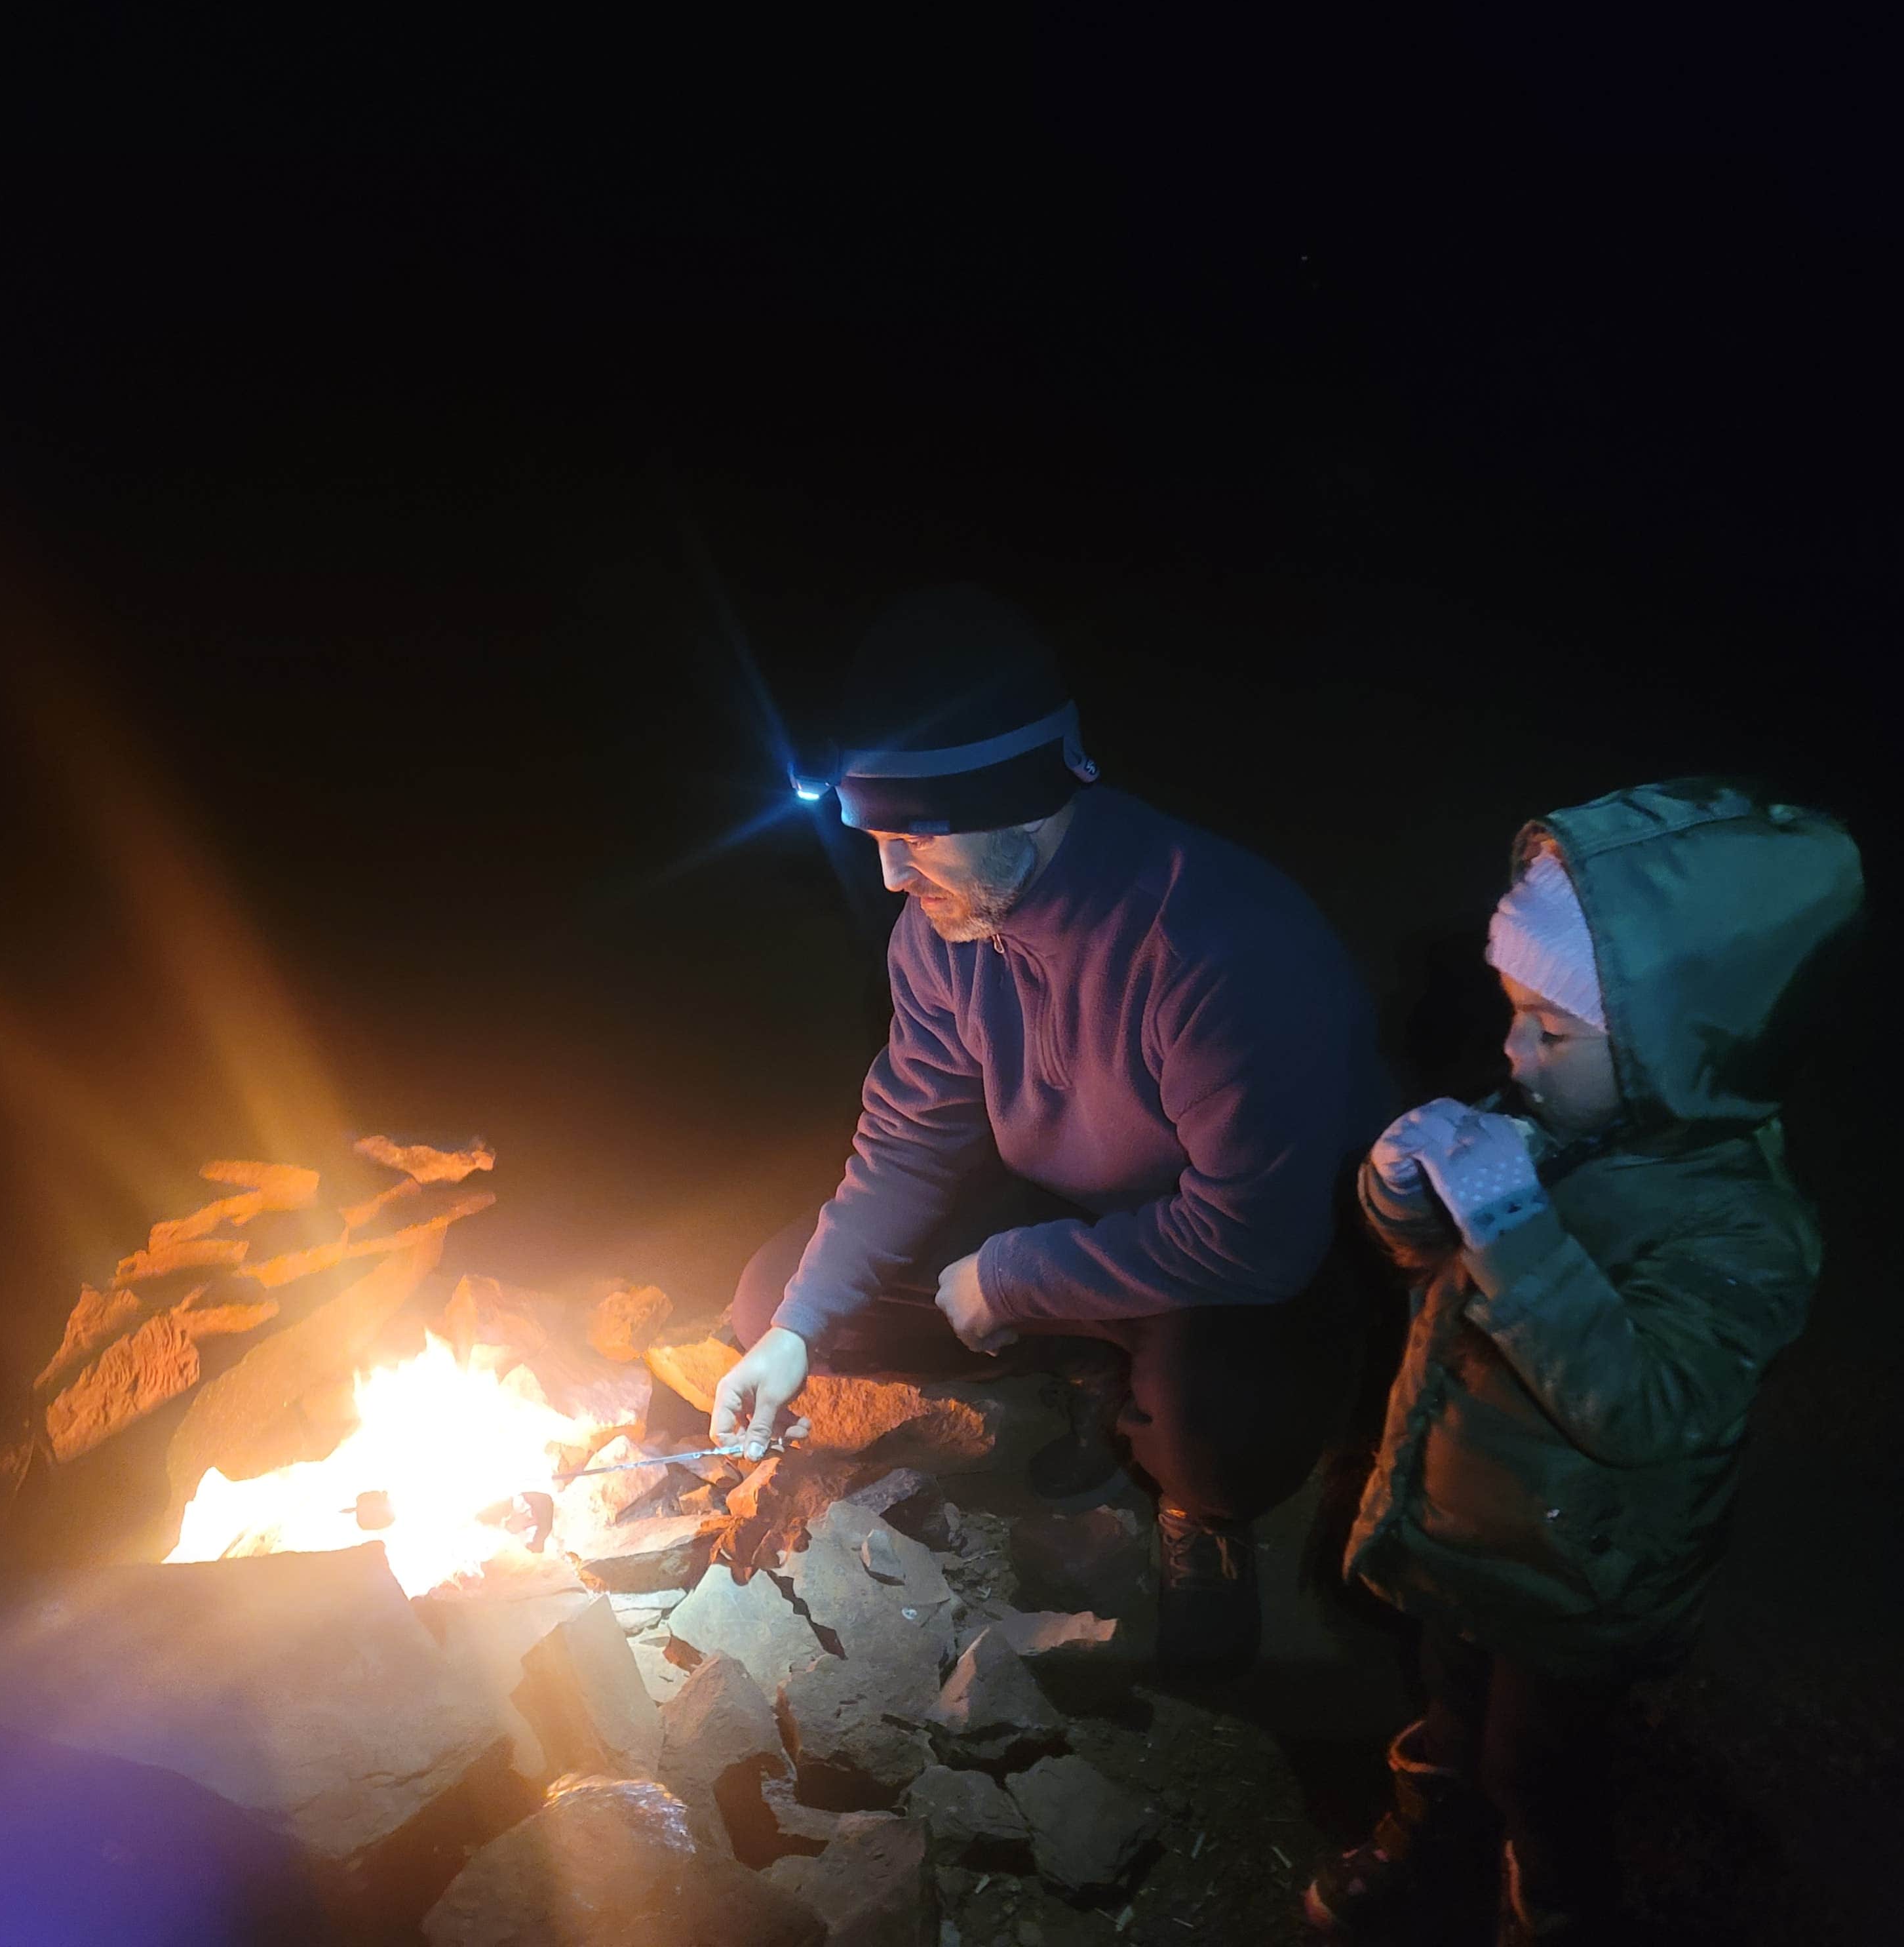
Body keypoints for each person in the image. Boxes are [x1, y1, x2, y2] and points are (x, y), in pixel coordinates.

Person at [712, 585, 1389, 1670]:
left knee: (1215, 1421)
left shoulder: (1220, 946)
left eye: (913, 838)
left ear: (1022, 806)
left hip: (1253, 1255)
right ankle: (1090, 1367)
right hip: (1077, 1207)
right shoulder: (943, 928)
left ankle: (1201, 1512)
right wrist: (799, 1327)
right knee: (773, 1297)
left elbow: (1256, 1237)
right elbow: (911, 1134)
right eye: (874, 837)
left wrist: (1016, 1277)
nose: (889, 875)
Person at [1303, 780, 1863, 1945]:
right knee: (1450, 1711)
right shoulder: (1557, 1121)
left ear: (1673, 1051)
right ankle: (1427, 1837)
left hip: (1584, 1570)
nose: (1512, 1052)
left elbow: (1649, 1408)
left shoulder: (1744, 1231)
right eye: (1515, 1013)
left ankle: (1556, 1902)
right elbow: (1430, 1268)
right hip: (1463, 1518)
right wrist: (1404, 1194)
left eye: (1549, 1031)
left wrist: (1511, 1226)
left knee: (1539, 1766)